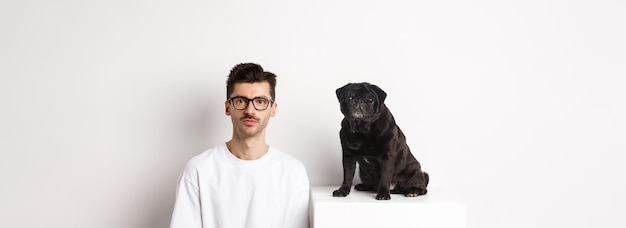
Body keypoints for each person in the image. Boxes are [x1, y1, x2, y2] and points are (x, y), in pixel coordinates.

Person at [170, 63, 310, 228]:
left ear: (273, 109)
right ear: (228, 107)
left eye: (260, 101)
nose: (250, 110)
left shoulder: (293, 173)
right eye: (241, 101)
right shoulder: (199, 170)